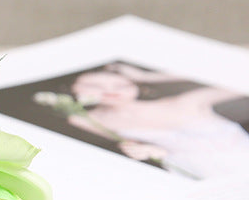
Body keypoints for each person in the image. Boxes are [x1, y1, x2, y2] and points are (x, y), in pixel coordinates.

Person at [66, 62, 249, 180]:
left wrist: (148, 77)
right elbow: (131, 147)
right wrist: (152, 151)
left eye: (122, 85)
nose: (110, 91)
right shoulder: (85, 119)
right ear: (72, 88)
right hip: (191, 173)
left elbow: (239, 70)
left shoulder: (188, 101)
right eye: (94, 86)